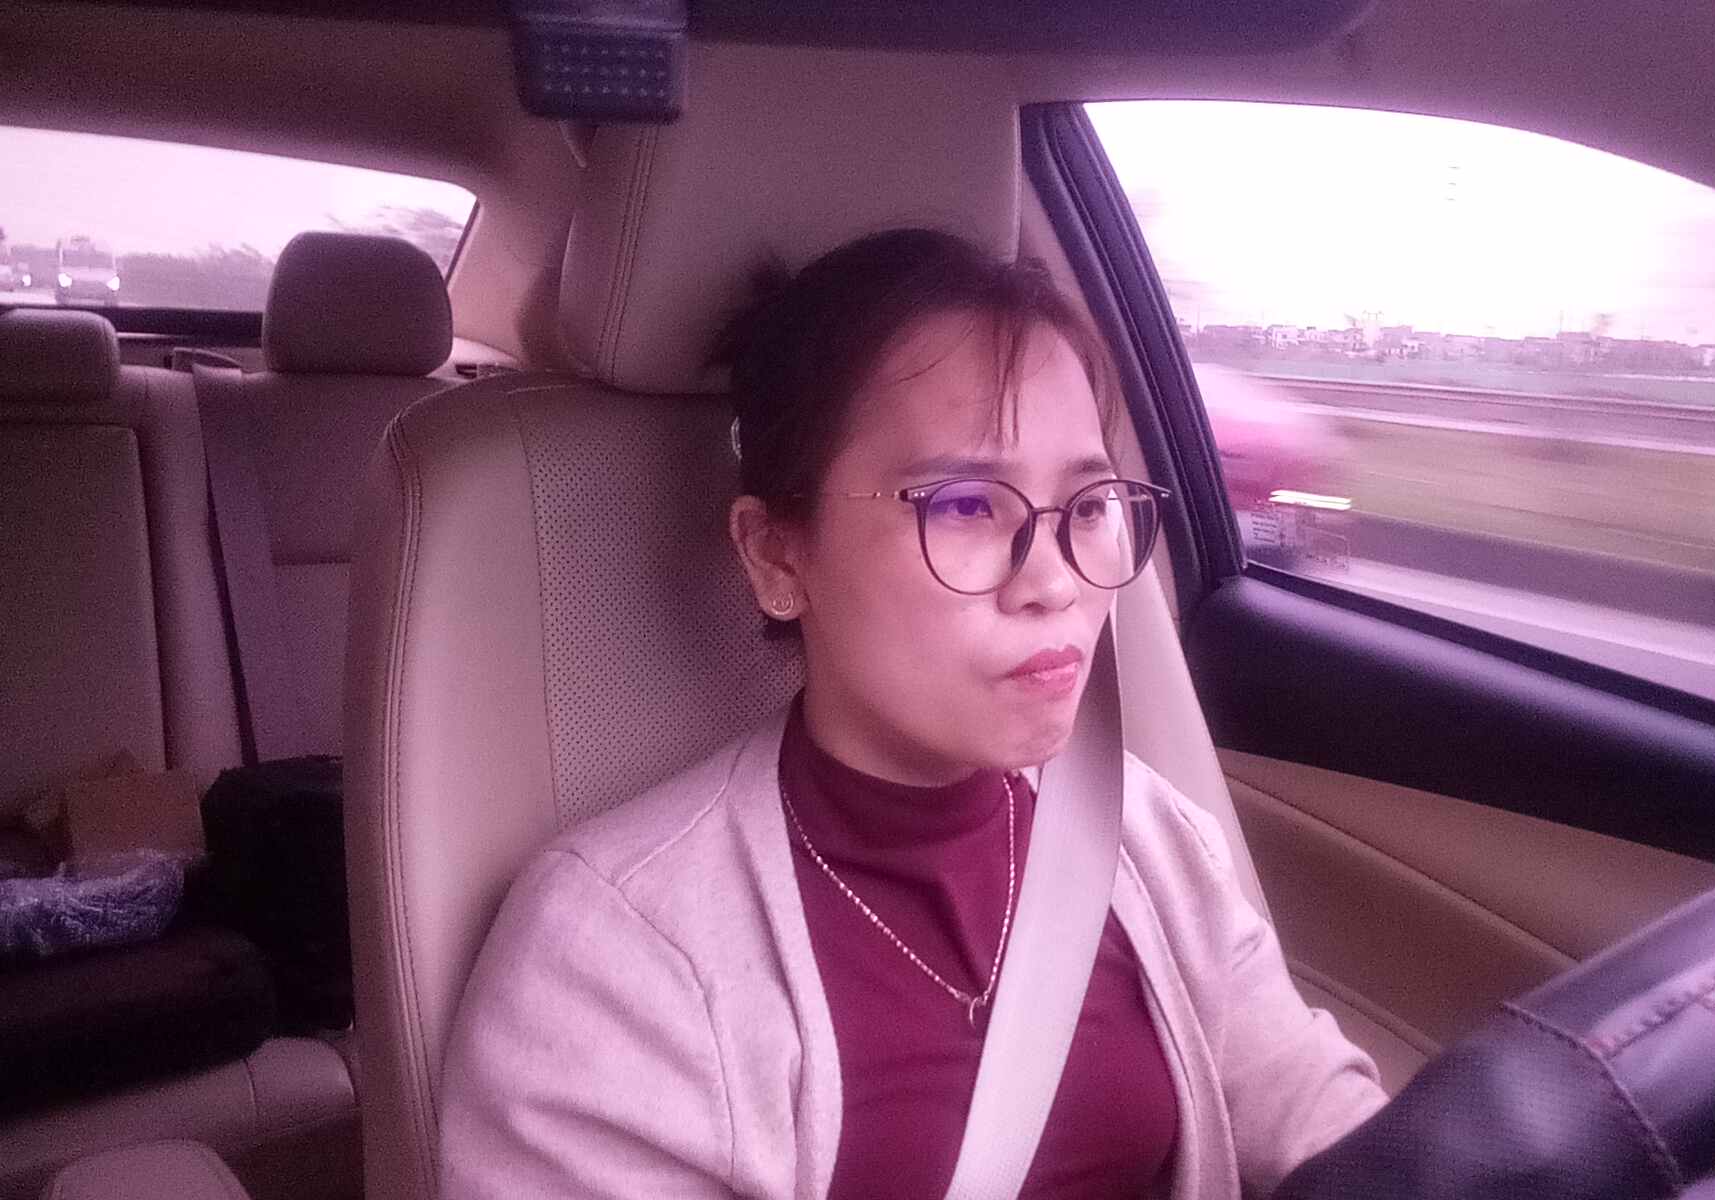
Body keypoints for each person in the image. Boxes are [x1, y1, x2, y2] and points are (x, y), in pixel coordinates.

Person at [437, 228, 1387, 1199]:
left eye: (1090, 502)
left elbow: (1338, 1133)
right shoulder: (615, 962)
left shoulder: (1150, 837)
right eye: (966, 505)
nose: (1055, 582)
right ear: (776, 556)